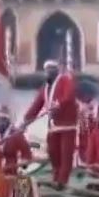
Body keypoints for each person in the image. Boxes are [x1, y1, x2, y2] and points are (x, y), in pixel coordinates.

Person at [22, 59, 79, 187]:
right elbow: (36, 106)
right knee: (53, 153)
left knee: (66, 154)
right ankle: (56, 176)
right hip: (53, 126)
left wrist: (59, 104)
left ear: (56, 71)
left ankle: (62, 181)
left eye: (51, 70)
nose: (48, 72)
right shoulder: (45, 88)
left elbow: (69, 96)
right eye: (47, 70)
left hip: (67, 125)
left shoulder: (65, 80)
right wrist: (26, 121)